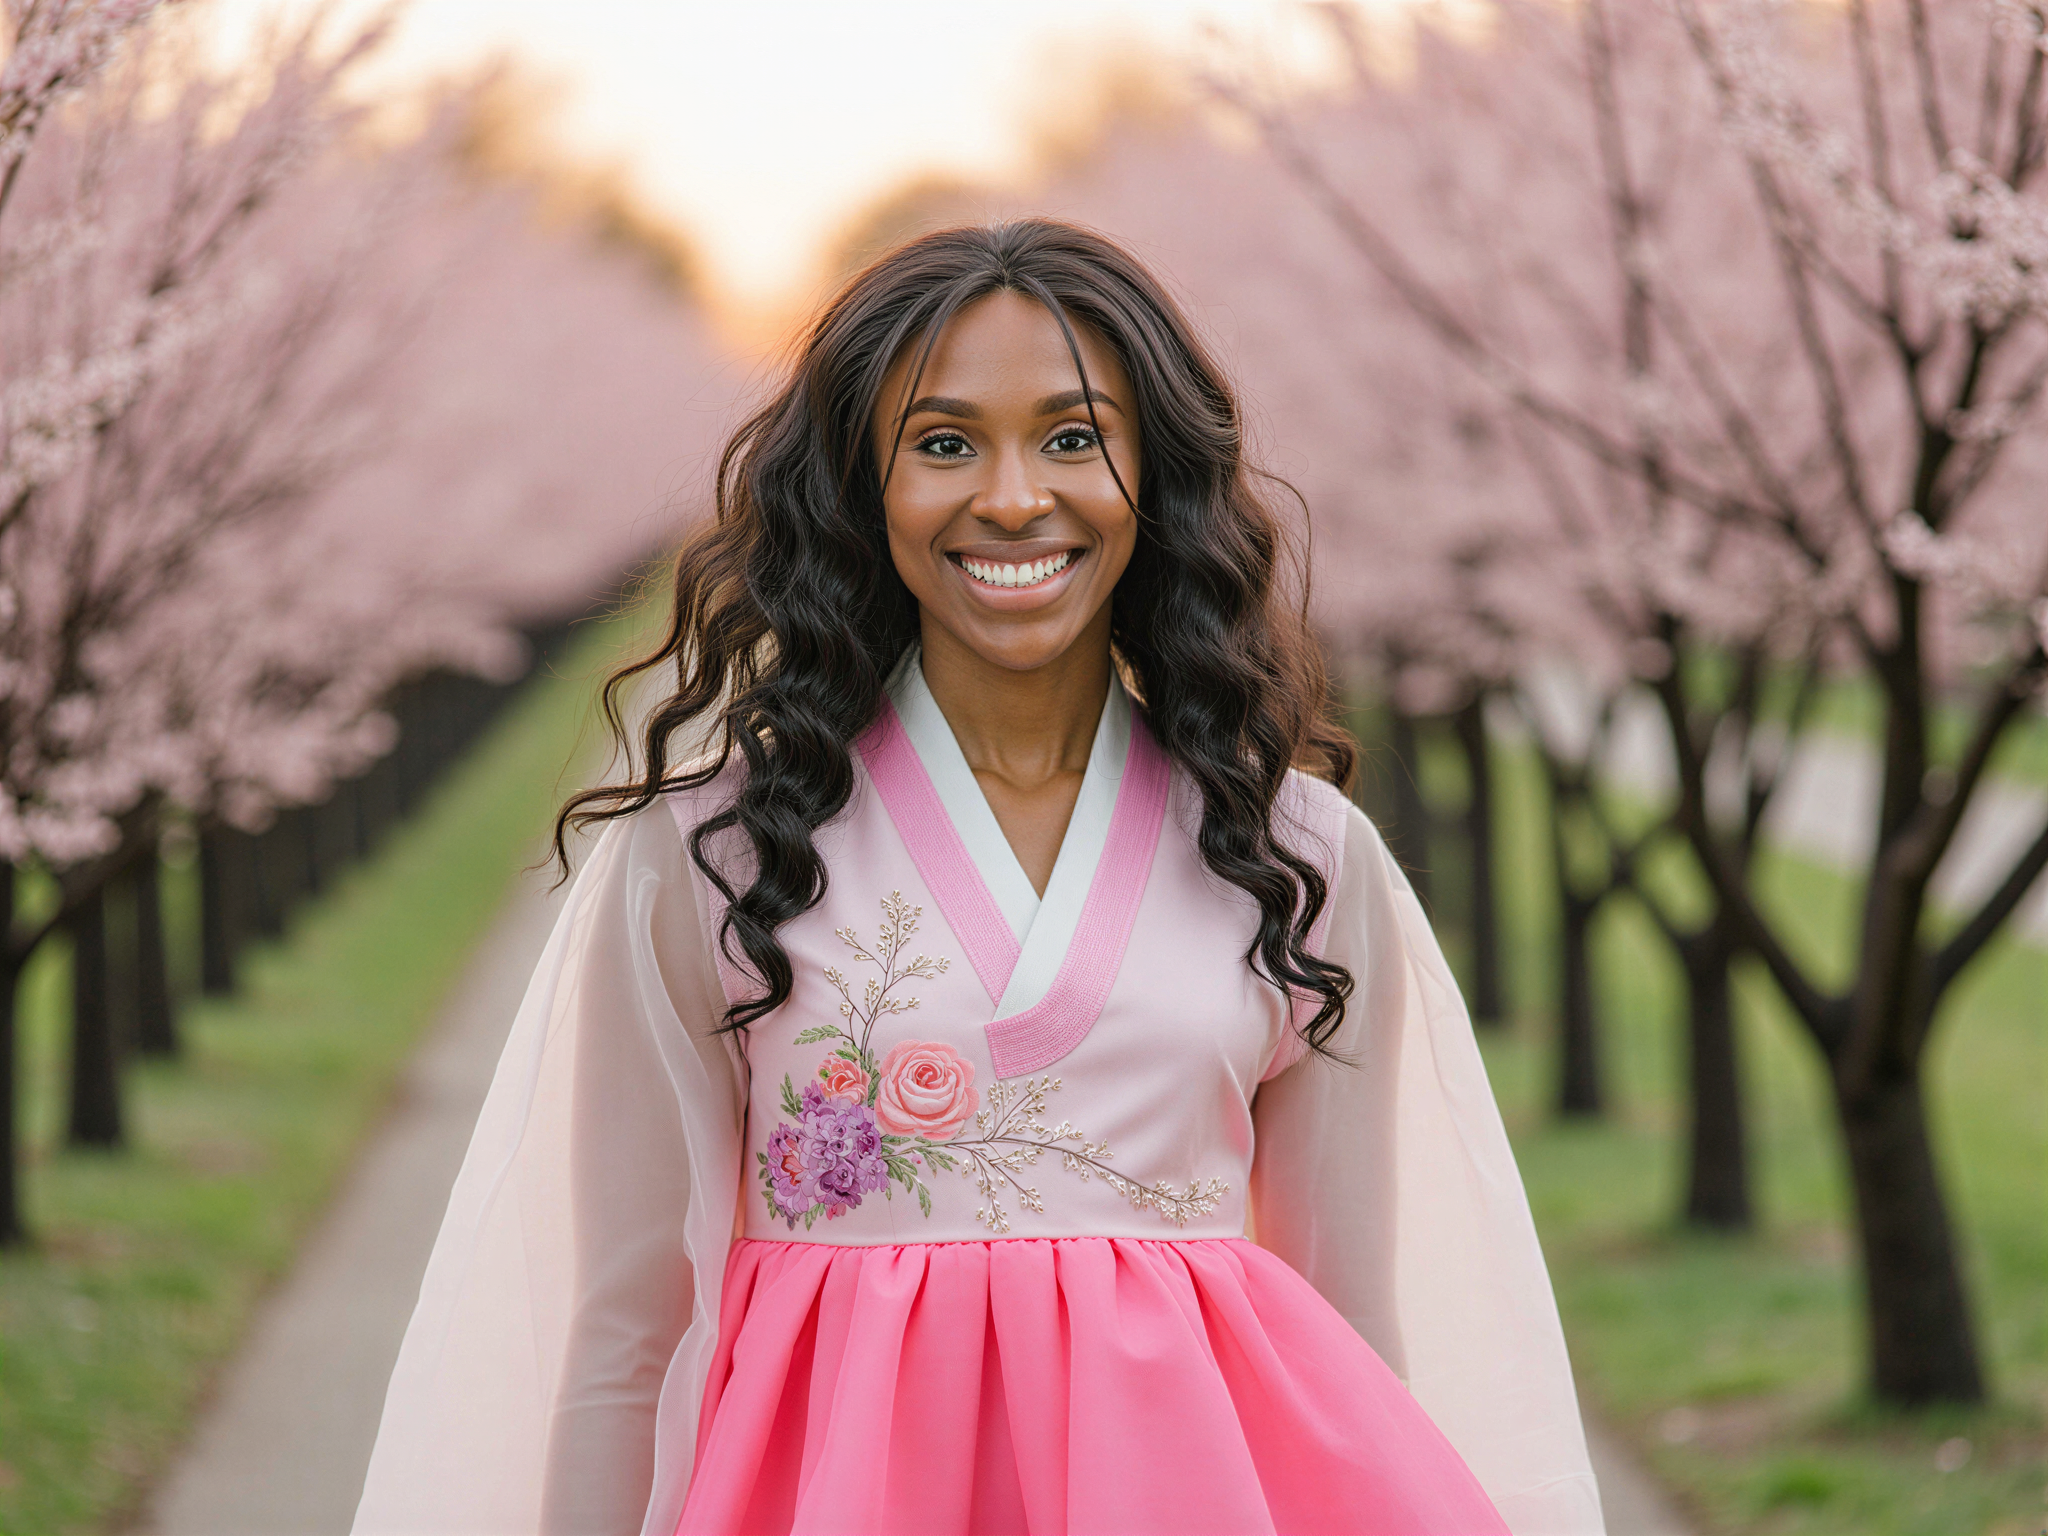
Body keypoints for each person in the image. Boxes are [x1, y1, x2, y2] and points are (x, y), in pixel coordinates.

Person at [352, 219, 1604, 1536]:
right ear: (859, 486)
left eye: (1074, 437)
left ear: (1154, 473)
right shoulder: (711, 859)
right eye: (943, 443)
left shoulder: (1295, 855)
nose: (1013, 497)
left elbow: (1351, 1336)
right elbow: (623, 1344)